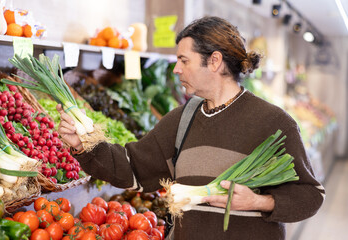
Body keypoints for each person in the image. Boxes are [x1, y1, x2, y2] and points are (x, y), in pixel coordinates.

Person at [57, 16, 325, 239]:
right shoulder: (182, 119)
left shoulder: (274, 123)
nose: (176, 69)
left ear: (215, 61)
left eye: (184, 60)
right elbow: (132, 168)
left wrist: (259, 202)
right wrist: (84, 145)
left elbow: (310, 195)